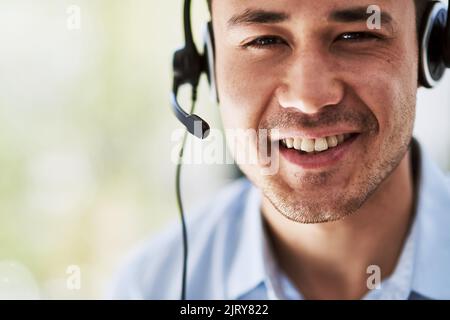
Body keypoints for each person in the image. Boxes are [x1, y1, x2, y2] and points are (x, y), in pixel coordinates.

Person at [111, 0, 450, 300]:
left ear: (429, 51)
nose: (309, 98)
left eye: (355, 35)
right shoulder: (149, 288)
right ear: (209, 65)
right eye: (264, 40)